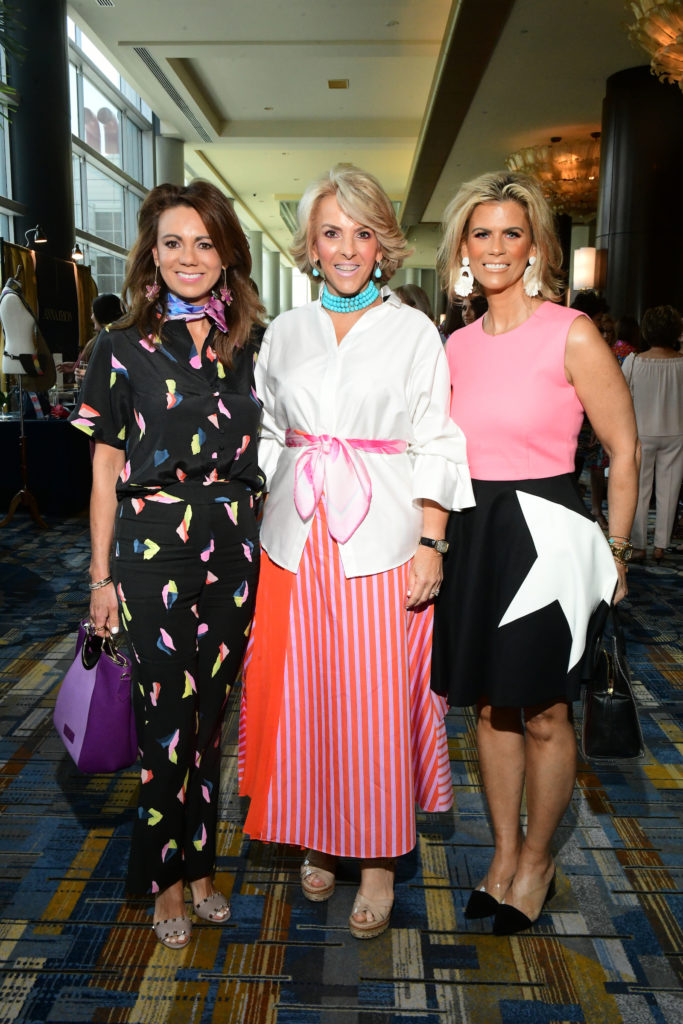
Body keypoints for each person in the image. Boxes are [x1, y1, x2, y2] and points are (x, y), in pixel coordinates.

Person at [239, 163, 474, 939]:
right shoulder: (285, 330)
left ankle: (374, 861)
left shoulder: (412, 330)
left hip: (382, 543)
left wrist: (432, 540)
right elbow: (269, 430)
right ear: (309, 243)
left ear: (384, 243)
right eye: (331, 231)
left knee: (371, 708)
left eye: (361, 231)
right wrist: (273, 501)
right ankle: (317, 838)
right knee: (303, 697)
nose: (346, 247)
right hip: (297, 541)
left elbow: (437, 438)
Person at [432, 171, 638, 935]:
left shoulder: (569, 331)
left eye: (509, 233)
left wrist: (614, 551)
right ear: (463, 247)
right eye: (480, 232)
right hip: (473, 532)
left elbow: (622, 448)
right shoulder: (452, 344)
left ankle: (540, 860)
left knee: (547, 709)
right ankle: (501, 854)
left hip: (547, 531)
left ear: (535, 248)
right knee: (490, 706)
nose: (493, 246)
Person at [69, 181, 264, 949]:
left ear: (227, 256)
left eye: (205, 243)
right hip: (151, 552)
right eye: (174, 242)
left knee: (211, 722)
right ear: (151, 252)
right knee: (164, 726)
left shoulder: (249, 341)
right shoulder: (118, 348)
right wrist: (99, 578)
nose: (190, 257)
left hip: (234, 547)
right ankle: (167, 880)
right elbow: (103, 469)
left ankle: (205, 864)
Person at [622, 305, 683, 563]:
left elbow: (621, 396)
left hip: (641, 432)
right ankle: (661, 545)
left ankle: (639, 545)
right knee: (669, 489)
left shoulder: (634, 362)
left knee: (639, 489)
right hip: (676, 432)